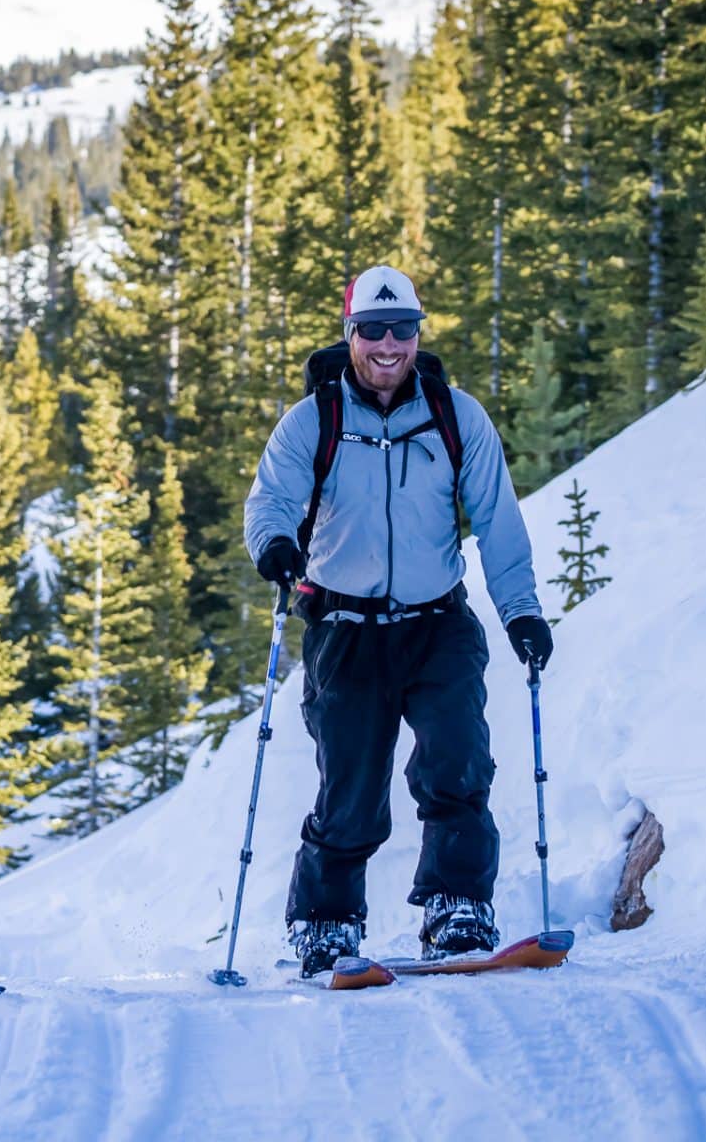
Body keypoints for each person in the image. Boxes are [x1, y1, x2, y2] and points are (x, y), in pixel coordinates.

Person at [243, 266, 554, 973]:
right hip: (344, 629)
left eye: (403, 329)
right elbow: (270, 501)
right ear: (351, 332)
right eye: (374, 329)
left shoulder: (456, 416)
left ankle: (457, 904)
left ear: (418, 332)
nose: (389, 345)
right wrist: (275, 545)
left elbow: (499, 522)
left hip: (437, 622)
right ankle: (325, 920)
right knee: (350, 788)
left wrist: (522, 612)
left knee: (459, 763)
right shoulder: (314, 420)